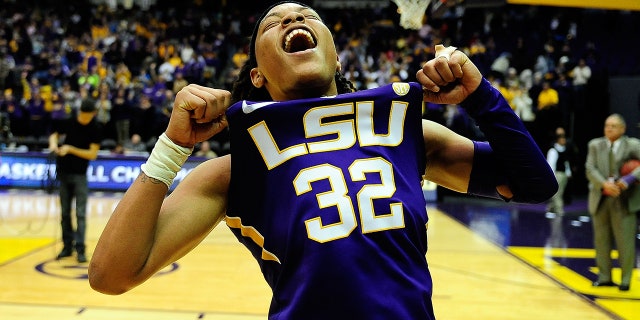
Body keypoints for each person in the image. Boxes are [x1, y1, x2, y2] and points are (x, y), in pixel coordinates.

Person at [88, 2, 557, 319]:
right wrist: (172, 147)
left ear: (337, 59)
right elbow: (112, 275)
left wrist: (479, 96)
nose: (293, 20)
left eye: (306, 15)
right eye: (273, 24)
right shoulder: (234, 168)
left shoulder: (401, 130)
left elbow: (535, 184)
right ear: (257, 73)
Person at [585, 113, 640, 292]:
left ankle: (625, 279)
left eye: (613, 126)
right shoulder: (595, 145)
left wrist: (629, 179)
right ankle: (604, 277)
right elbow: (590, 168)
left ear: (623, 129)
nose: (609, 128)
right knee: (601, 241)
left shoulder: (632, 145)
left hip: (624, 199)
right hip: (601, 197)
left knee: (625, 242)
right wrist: (604, 184)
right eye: (607, 125)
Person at [48, 98, 103, 263]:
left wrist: (71, 149)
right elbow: (54, 134)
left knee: (80, 213)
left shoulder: (95, 128)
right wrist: (53, 145)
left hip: (80, 174)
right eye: (83, 115)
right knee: (65, 213)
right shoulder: (69, 122)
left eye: (88, 116)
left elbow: (92, 154)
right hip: (63, 172)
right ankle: (67, 246)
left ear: (93, 114)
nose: (85, 119)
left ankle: (80, 248)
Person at [545, 127, 573, 216]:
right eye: (562, 139)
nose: (564, 140)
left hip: (563, 175)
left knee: (559, 193)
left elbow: (566, 163)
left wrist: (568, 173)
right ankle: (559, 209)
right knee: (557, 193)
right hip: (557, 175)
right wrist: (551, 177)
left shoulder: (564, 150)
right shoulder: (553, 150)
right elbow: (551, 164)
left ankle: (551, 208)